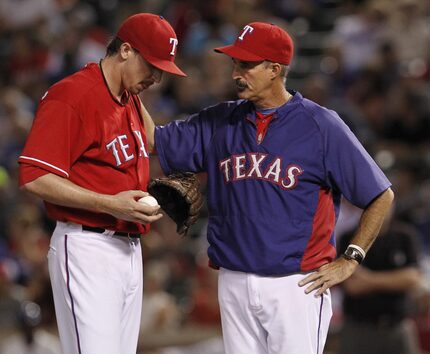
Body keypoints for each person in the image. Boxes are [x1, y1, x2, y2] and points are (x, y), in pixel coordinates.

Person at [144, 22, 394, 354]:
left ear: (275, 69)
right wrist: (128, 88)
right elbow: (151, 139)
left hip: (297, 284)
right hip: (233, 280)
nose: (236, 72)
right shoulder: (220, 121)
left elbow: (380, 195)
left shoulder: (320, 125)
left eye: (246, 64)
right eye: (235, 63)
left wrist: (352, 258)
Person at [18, 13, 186, 354]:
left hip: (129, 251)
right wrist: (110, 203)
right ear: (125, 50)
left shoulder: (131, 99)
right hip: (86, 247)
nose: (156, 77)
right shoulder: (72, 95)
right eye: (151, 65)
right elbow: (34, 176)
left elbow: (157, 142)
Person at [337, 204, 422, 354]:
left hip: (397, 325)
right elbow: (352, 285)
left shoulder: (404, 236)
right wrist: (394, 280)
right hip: (359, 327)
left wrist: (369, 279)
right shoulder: (351, 238)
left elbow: (412, 278)